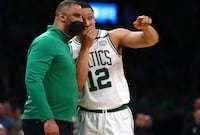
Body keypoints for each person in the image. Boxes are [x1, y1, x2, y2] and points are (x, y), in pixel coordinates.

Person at [68, 2, 159, 135]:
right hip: (88, 116)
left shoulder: (113, 36)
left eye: (90, 18)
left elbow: (150, 40)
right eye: (82, 19)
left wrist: (146, 28)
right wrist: (86, 47)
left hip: (118, 115)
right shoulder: (69, 48)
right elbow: (77, 85)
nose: (87, 23)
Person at [21, 0, 84, 135]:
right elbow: (32, 81)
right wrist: (48, 118)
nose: (81, 21)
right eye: (77, 15)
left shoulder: (63, 44)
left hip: (61, 120)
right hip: (43, 121)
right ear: (62, 17)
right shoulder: (46, 41)